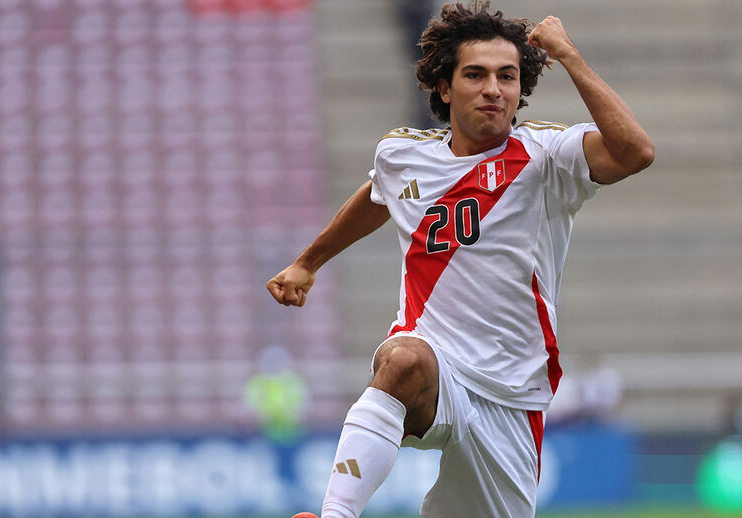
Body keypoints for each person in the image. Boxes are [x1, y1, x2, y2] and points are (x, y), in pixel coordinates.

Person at [267, 2, 653, 517]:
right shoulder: (403, 154)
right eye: (476, 74)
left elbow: (635, 152)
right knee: (401, 360)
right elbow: (379, 195)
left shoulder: (547, 157)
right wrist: (308, 261)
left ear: (520, 90)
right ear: (445, 88)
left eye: (507, 76)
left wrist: (569, 55)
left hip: (511, 394)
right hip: (438, 365)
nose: (493, 88)